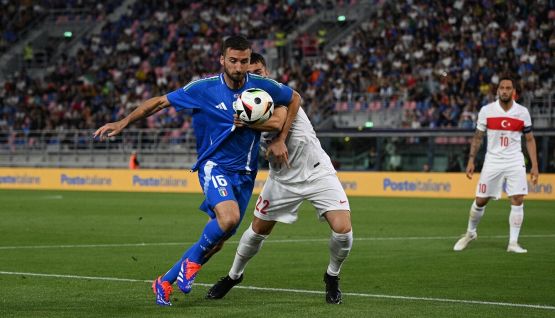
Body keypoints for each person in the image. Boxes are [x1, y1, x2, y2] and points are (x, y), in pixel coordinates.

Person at [93, 36, 301, 306]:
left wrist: (281, 138)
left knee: (218, 239)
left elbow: (295, 98)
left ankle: (164, 281)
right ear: (222, 60)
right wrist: (124, 121)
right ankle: (191, 264)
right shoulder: (203, 89)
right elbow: (159, 102)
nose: (239, 67)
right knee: (227, 220)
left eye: (244, 61)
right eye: (234, 61)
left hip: (246, 173)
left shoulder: (260, 87)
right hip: (214, 165)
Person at [205, 52, 353, 304]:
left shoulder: (277, 96)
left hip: (317, 171)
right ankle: (233, 276)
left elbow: (277, 118)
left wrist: (271, 134)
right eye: (250, 74)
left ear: (267, 73)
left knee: (343, 232)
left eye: (259, 72)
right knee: (257, 231)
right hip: (282, 178)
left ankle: (332, 275)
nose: (255, 77)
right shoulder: (240, 105)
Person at [453, 76, 539, 253]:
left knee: (518, 198)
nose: (505, 91)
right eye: (502, 88)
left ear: (513, 92)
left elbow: (530, 140)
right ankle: (470, 233)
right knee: (480, 200)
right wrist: (471, 159)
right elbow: (477, 137)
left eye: (509, 88)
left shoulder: (522, 112)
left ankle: (513, 243)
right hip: (493, 160)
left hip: (515, 160)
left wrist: (535, 165)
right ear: (498, 91)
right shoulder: (487, 110)